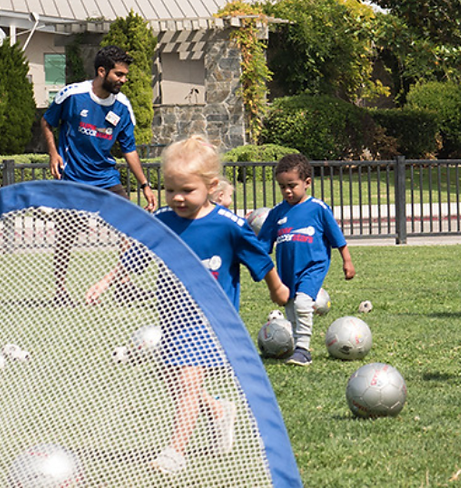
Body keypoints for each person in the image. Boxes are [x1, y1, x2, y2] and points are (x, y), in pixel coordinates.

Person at [147, 136, 290, 474]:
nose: (177, 198)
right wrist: (109, 279)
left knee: (186, 381)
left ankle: (175, 451)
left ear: (211, 186)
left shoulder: (229, 225)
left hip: (210, 320)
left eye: (187, 190)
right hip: (173, 318)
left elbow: (261, 260)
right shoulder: (163, 220)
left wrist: (277, 288)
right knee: (171, 376)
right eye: (170, 190)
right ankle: (217, 411)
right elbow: (139, 251)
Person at [41, 45, 156, 305]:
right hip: (73, 178)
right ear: (102, 71)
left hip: (106, 178)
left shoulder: (123, 107)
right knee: (66, 234)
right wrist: (53, 153)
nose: (124, 80)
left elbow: (129, 149)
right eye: (119, 74)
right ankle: (60, 292)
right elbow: (47, 122)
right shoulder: (73, 95)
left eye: (126, 75)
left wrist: (145, 185)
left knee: (129, 228)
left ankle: (123, 287)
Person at [257, 153, 356, 367]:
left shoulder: (318, 208)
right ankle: (295, 347)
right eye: (282, 186)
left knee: (303, 304)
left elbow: (337, 238)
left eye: (292, 185)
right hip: (287, 269)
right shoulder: (276, 213)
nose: (287, 191)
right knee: (291, 308)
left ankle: (304, 349)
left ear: (307, 183)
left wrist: (347, 261)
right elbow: (263, 244)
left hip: (313, 266)